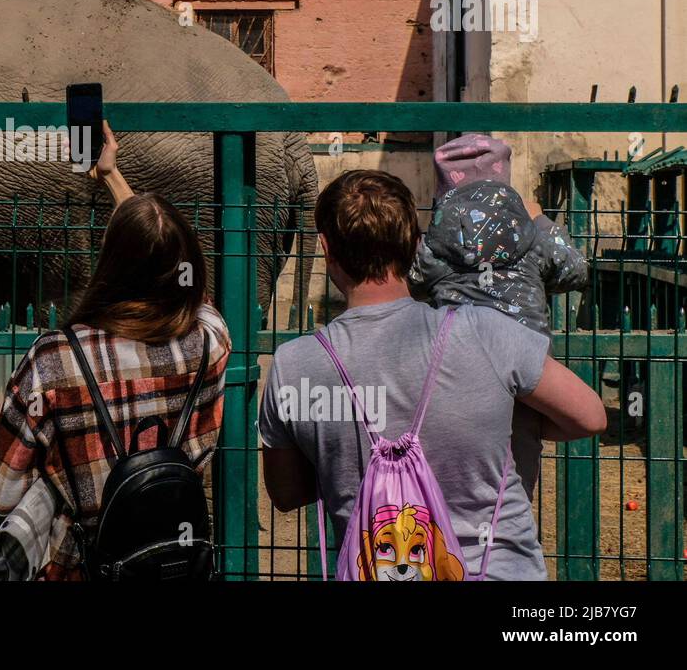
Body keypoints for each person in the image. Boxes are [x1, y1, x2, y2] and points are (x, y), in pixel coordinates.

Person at [0, 122, 231, 580]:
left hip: (84, 567)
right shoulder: (210, 341)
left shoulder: (57, 360)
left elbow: (1, 489)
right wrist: (112, 175)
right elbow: (169, 265)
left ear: (111, 264)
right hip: (173, 564)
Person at [259, 169, 606, 579]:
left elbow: (286, 493)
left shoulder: (294, 365)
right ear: (415, 245)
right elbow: (590, 417)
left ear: (325, 247)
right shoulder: (486, 332)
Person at [407, 133, 590, 499]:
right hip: (525, 380)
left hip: (456, 376)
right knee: (517, 479)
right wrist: (541, 221)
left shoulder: (437, 240)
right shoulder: (531, 233)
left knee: (451, 477)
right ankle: (506, 534)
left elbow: (414, 281)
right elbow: (575, 270)